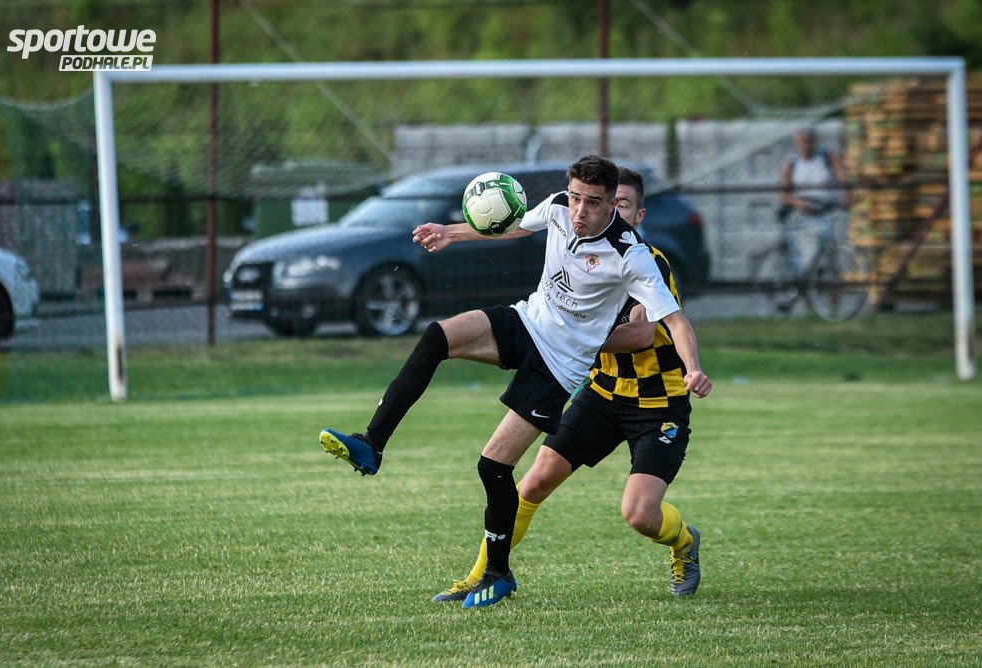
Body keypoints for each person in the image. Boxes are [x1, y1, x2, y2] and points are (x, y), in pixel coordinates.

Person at [320, 155, 708, 608]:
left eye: (598, 203)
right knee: (437, 337)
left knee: (505, 471)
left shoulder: (635, 257)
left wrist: (693, 368)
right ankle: (372, 444)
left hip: (593, 380)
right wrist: (451, 233)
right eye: (577, 198)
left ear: (625, 211)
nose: (580, 211)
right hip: (541, 336)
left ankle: (502, 573)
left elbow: (667, 325)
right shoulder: (559, 206)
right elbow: (517, 226)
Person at [433, 167, 711, 608]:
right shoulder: (579, 248)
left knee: (639, 514)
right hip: (602, 394)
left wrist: (568, 335)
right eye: (599, 202)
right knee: (532, 484)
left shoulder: (644, 261)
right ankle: (478, 577)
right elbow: (519, 229)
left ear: (638, 215)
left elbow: (641, 334)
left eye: (620, 205)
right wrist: (452, 232)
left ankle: (684, 541)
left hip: (657, 404)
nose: (603, 212)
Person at [778, 126, 849, 221]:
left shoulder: (828, 156)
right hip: (805, 211)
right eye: (800, 142)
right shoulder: (790, 163)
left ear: (814, 142)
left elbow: (843, 178)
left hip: (831, 208)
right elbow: (783, 196)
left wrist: (845, 195)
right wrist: (796, 201)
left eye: (807, 142)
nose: (804, 146)